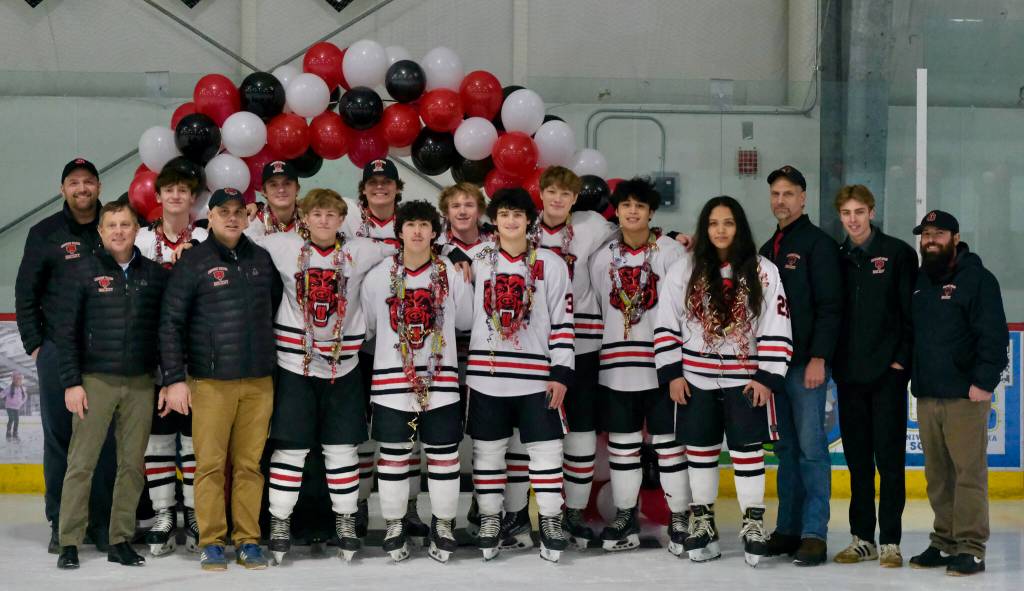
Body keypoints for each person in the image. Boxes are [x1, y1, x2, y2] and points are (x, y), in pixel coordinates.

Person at [258, 189, 393, 564]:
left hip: (343, 366)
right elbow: (239, 238)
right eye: (316, 214)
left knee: (341, 449)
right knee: (291, 449)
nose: (323, 221)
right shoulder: (282, 245)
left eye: (330, 215)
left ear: (340, 220)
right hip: (294, 366)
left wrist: (458, 259)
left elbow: (402, 249)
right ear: (305, 217)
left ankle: (346, 521)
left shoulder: (359, 250)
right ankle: (281, 521)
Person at [656, 196, 792, 566]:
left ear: (739, 227)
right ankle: (704, 520)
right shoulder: (685, 270)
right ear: (705, 228)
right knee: (699, 452)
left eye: (728, 223)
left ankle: (752, 521)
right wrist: (671, 372)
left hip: (746, 381)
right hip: (695, 379)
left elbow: (776, 323)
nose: (720, 230)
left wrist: (766, 376)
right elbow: (666, 321)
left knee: (747, 451)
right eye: (713, 223)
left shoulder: (763, 270)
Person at [160, 187, 282, 571]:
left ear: (247, 217)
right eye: (222, 211)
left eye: (237, 211)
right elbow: (170, 323)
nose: (231, 218)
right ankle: (211, 540)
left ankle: (248, 539)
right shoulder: (194, 262)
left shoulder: (261, 260)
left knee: (249, 465)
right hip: (210, 382)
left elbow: (274, 308)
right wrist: (176, 379)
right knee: (210, 465)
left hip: (259, 380)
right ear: (208, 217)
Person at [499, 166, 617, 551]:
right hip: (529, 346)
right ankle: (516, 514)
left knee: (580, 433)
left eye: (565, 194)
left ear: (574, 198)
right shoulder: (522, 226)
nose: (557, 199)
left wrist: (670, 236)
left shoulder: (593, 226)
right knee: (524, 433)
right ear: (542, 193)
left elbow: (635, 235)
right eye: (551, 192)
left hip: (581, 346)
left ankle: (573, 513)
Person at [53, 199, 169, 569]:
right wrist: (72, 382)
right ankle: (70, 540)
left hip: (140, 382)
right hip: (95, 381)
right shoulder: (83, 273)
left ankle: (120, 539)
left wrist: (167, 379)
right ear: (101, 233)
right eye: (111, 225)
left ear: (137, 230)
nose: (119, 231)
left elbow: (165, 333)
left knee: (133, 465)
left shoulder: (155, 276)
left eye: (125, 224)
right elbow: (66, 333)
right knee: (81, 462)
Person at [360, 200, 473, 563]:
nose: (418, 231)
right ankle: (394, 523)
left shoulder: (450, 274)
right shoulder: (379, 276)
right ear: (400, 231)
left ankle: (443, 523)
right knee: (394, 458)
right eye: (411, 224)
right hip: (393, 387)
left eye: (425, 225)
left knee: (443, 457)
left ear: (434, 232)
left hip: (441, 385)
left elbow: (467, 318)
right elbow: (370, 328)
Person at [466, 188, 575, 563]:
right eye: (504, 214)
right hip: (486, 375)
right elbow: (462, 317)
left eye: (518, 215)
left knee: (546, 452)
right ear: (494, 220)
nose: (511, 221)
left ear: (529, 220)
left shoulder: (551, 263)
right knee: (488, 454)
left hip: (537, 377)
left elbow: (563, 321)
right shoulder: (478, 260)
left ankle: (550, 520)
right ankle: (491, 520)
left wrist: (561, 372)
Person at [15, 158, 116, 553]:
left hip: (105, 353)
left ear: (98, 187)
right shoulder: (44, 233)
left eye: (88, 182)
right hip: (57, 351)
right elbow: (26, 295)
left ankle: (102, 522)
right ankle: (61, 521)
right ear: (63, 190)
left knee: (106, 440)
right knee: (61, 440)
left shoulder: (113, 228)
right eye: (73, 183)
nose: (81, 189)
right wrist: (38, 346)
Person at [588, 178, 690, 554]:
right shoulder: (602, 258)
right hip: (616, 366)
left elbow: (682, 310)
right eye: (626, 204)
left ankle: (680, 514)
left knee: (669, 445)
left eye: (640, 206)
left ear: (651, 212)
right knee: (623, 445)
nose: (632, 211)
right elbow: (600, 308)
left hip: (661, 366)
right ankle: (625, 514)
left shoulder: (671, 253)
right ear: (617, 210)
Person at [906, 210, 1008, 577]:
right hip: (929, 394)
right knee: (938, 474)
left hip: (966, 396)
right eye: (925, 234)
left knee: (968, 474)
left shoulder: (978, 280)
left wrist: (983, 382)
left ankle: (971, 547)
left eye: (938, 233)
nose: (930, 240)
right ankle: (944, 540)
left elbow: (994, 337)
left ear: (955, 236)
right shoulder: (921, 281)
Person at [758, 165, 842, 566]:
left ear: (803, 198)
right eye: (775, 194)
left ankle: (813, 533)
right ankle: (788, 529)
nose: (781, 201)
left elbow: (830, 306)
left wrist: (819, 358)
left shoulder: (818, 245)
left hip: (805, 366)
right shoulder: (766, 249)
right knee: (786, 451)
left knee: (811, 450)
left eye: (789, 194)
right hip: (773, 368)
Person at [831, 185, 916, 568]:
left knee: (889, 460)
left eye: (859, 212)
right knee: (858, 462)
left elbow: (910, 313)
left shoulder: (898, 253)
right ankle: (862, 537)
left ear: (872, 212)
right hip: (850, 377)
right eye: (846, 213)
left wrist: (900, 362)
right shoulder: (838, 257)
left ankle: (891, 541)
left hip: (887, 377)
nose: (853, 219)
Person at [341, 158, 419, 541]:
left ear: (397, 186)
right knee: (363, 431)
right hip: (358, 341)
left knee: (409, 428)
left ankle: (410, 507)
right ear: (363, 188)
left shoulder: (412, 223)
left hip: (403, 343)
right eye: (373, 183)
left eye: (386, 182)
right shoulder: (348, 221)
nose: (380, 188)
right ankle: (356, 505)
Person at [135, 166, 209, 556]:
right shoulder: (142, 239)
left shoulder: (206, 238)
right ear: (158, 196)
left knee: (195, 440)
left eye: (184, 190)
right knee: (159, 441)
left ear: (193, 199)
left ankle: (195, 512)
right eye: (170, 190)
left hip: (195, 358)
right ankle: (164, 513)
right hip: (152, 359)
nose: (177, 196)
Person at [245, 160, 307, 238]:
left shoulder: (312, 222)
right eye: (273, 185)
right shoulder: (249, 224)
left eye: (287, 183)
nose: (281, 190)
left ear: (297, 189)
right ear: (264, 191)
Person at [4, 373, 27, 442]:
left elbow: (25, 397)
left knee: (17, 420)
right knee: (11, 418)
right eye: (16, 379)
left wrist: (21, 403)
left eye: (19, 379)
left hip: (17, 407)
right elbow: (2, 394)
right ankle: (8, 432)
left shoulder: (22, 388)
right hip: (9, 406)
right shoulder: (9, 388)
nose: (18, 381)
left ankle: (15, 433)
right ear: (13, 380)